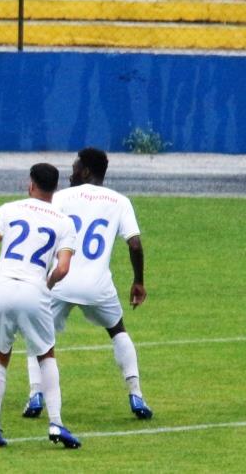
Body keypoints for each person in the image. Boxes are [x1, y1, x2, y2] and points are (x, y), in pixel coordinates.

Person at [21, 147, 153, 420]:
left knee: (39, 336)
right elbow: (136, 244)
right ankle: (136, 395)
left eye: (75, 167)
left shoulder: (60, 198)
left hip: (60, 279)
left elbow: (42, 233)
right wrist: (138, 281)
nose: (70, 172)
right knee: (118, 331)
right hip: (98, 286)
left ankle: (36, 394)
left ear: (87, 171)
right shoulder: (120, 201)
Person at [0, 163, 82, 449]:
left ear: (30, 184)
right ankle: (56, 423)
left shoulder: (9, 209)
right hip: (34, 289)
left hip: (2, 286)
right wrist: (46, 286)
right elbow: (63, 268)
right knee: (46, 355)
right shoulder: (64, 222)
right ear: (56, 189)